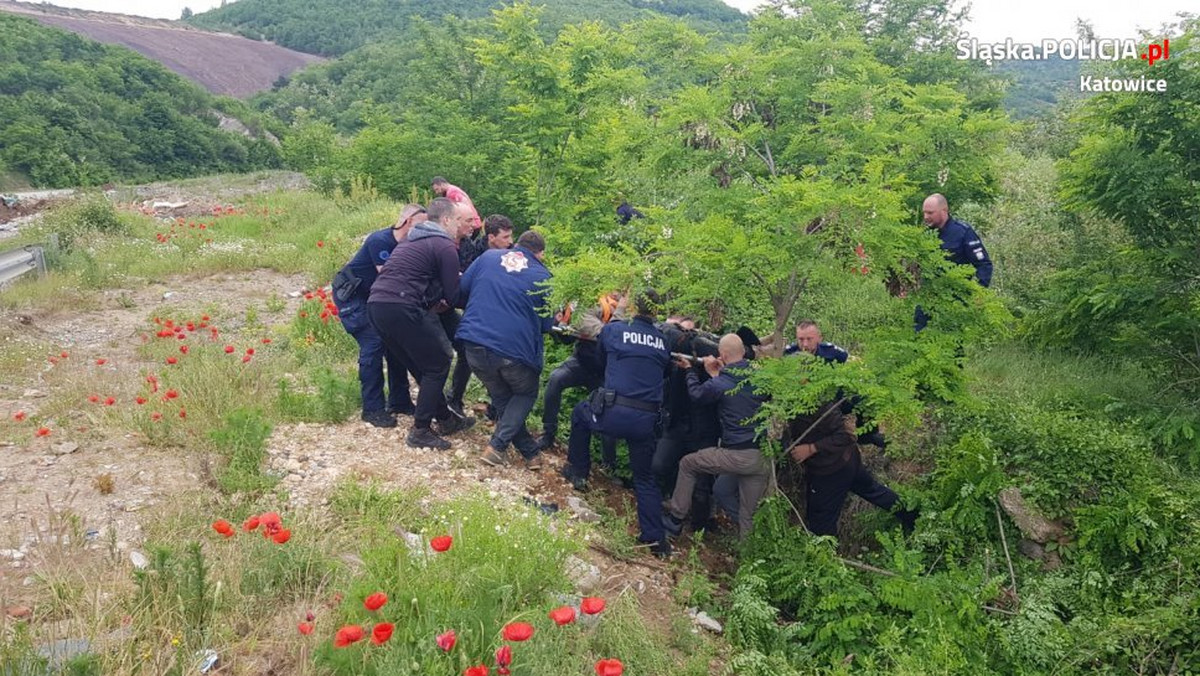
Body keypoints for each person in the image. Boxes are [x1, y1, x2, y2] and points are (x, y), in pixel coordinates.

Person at [562, 291, 672, 557]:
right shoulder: (663, 341)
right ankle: (656, 540)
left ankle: (578, 472)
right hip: (646, 421)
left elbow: (600, 358)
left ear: (631, 307)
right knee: (644, 478)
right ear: (656, 312)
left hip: (613, 412)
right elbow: (666, 372)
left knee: (580, 414)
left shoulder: (615, 330)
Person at [368, 198, 476, 450]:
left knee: (422, 364)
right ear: (447, 220)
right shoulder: (444, 245)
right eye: (459, 220)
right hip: (401, 306)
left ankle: (446, 419)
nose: (460, 226)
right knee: (439, 362)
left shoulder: (412, 240)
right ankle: (420, 431)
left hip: (377, 305)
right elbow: (453, 296)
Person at [457, 230, 553, 469]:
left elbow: (462, 291)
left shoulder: (488, 257)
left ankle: (530, 454)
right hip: (514, 351)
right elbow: (546, 325)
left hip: (474, 344)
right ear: (540, 253)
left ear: (517, 245)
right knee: (525, 393)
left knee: (503, 398)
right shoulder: (543, 276)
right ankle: (497, 446)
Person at [662, 334, 771, 539]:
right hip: (760, 456)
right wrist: (717, 375)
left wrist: (691, 371)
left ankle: (675, 520)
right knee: (727, 495)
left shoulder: (722, 383)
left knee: (688, 464)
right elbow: (736, 392)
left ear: (722, 354)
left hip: (736, 454)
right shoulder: (759, 378)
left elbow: (697, 395)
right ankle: (752, 555)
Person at [332, 204, 425, 427]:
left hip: (375, 299)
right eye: (422, 224)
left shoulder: (409, 244)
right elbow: (390, 275)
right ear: (408, 221)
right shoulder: (380, 241)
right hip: (353, 297)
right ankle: (372, 408)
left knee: (395, 344)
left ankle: (399, 400)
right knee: (373, 343)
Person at [784, 398, 917, 538]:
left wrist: (811, 448)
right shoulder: (793, 398)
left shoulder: (819, 402)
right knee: (874, 491)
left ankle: (825, 556)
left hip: (832, 470)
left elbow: (845, 436)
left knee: (820, 524)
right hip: (846, 461)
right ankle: (915, 516)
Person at [536, 292, 626, 462]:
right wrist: (561, 324)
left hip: (606, 371)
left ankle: (609, 463)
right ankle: (548, 432)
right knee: (556, 379)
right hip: (582, 361)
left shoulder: (630, 311)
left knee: (609, 410)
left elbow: (609, 335)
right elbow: (568, 337)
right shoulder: (592, 301)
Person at [652, 316, 722, 531]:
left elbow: (700, 394)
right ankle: (654, 509)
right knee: (659, 465)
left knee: (702, 482)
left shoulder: (710, 359)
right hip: (678, 422)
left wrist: (693, 366)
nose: (685, 335)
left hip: (703, 428)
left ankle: (701, 524)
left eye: (690, 331)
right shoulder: (673, 354)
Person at [915, 193, 993, 331]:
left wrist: (978, 292)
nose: (926, 217)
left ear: (944, 211)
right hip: (928, 295)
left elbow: (983, 264)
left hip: (955, 297)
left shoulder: (963, 232)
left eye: (930, 213)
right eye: (924, 213)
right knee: (918, 334)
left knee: (952, 342)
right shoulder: (923, 233)